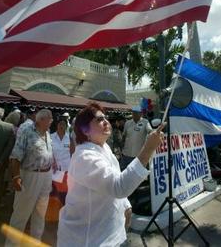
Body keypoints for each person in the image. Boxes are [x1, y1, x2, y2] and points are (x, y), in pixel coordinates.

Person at [57, 102, 164, 247]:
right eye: (99, 120)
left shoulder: (104, 147)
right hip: (91, 240)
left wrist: (125, 205)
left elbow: (116, 177)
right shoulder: (85, 157)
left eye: (105, 118)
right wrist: (148, 149)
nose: (106, 121)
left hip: (114, 234)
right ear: (86, 131)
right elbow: (118, 186)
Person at [6, 109, 54, 245]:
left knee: (40, 213)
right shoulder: (27, 132)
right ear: (40, 120)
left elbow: (47, 153)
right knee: (21, 213)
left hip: (46, 176)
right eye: (49, 118)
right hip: (30, 175)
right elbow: (15, 156)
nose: (51, 121)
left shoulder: (48, 134)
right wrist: (16, 177)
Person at [51, 117, 75, 204]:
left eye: (63, 124)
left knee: (64, 193)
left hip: (66, 170)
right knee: (53, 193)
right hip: (54, 170)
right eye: (60, 124)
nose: (61, 126)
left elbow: (73, 153)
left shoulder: (69, 138)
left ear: (66, 126)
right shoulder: (51, 137)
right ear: (56, 125)